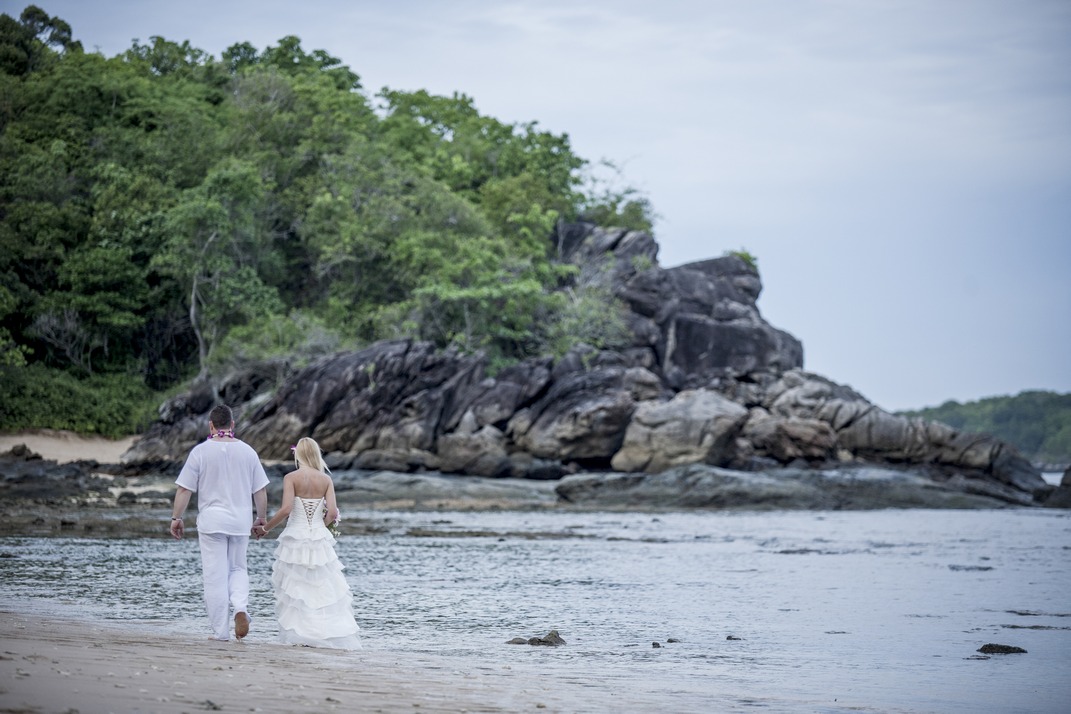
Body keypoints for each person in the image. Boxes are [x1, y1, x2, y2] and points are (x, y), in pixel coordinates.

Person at [170, 404, 269, 642]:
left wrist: (177, 518)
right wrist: (261, 519)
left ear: (211, 425)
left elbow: (185, 489)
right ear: (232, 425)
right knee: (238, 568)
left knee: (215, 576)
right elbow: (260, 490)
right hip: (240, 521)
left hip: (212, 521)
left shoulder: (200, 452)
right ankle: (241, 607)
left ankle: (220, 633)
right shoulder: (248, 452)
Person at [254, 436, 361, 649]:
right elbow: (331, 513)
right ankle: (323, 633)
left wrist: (265, 528)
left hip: (295, 537)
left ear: (298, 454)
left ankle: (301, 635)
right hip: (319, 538)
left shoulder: (291, 477)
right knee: (321, 587)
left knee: (297, 588)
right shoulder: (325, 480)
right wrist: (321, 526)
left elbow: (285, 510)